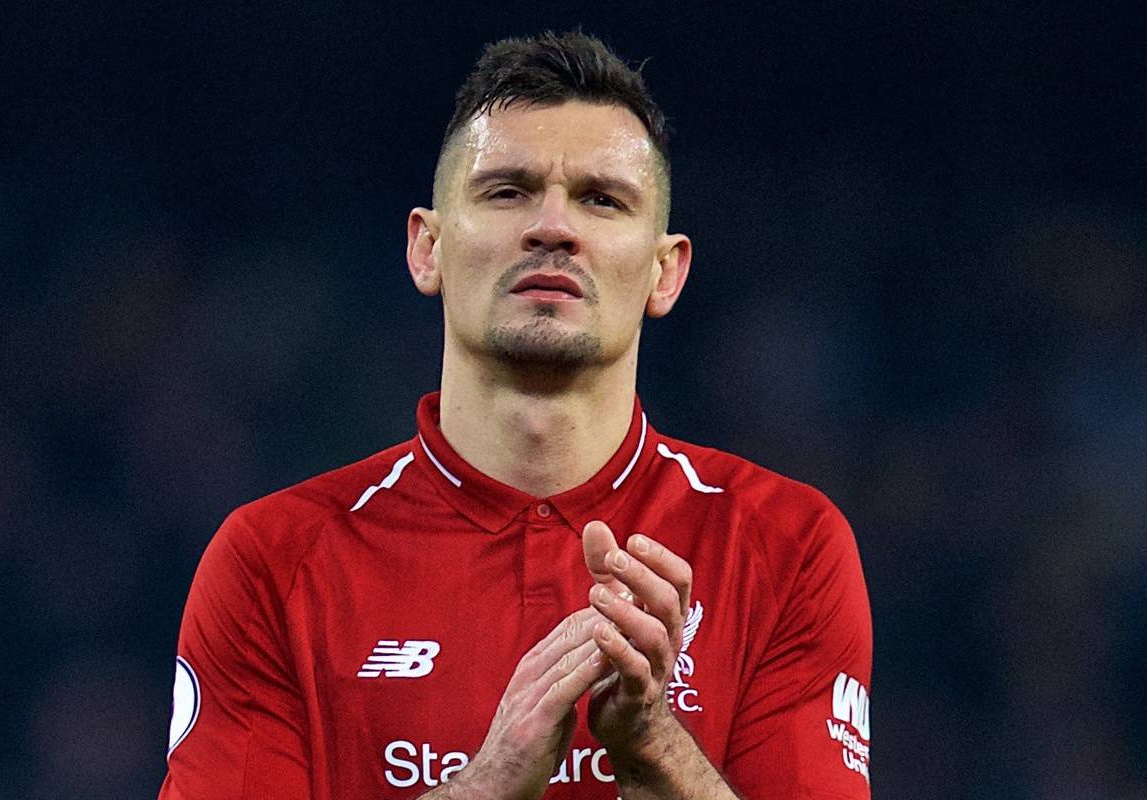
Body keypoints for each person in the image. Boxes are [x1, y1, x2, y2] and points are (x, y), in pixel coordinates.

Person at [158, 31, 872, 800]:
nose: (553, 227)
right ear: (427, 249)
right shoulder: (272, 562)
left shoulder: (785, 545)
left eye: (602, 199)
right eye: (507, 191)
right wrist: (494, 780)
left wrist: (654, 748)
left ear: (665, 273)